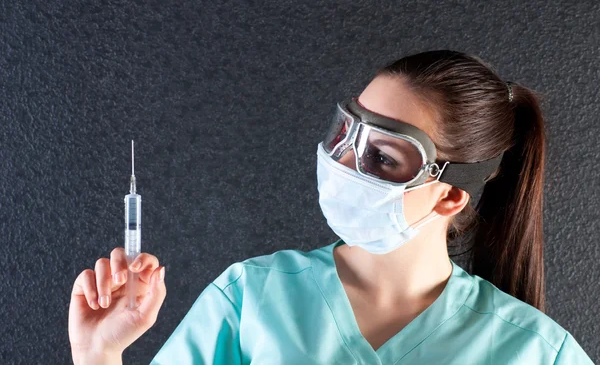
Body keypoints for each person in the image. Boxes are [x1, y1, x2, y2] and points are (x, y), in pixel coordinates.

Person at [68, 50, 595, 364]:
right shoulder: (252, 298)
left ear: (451, 194)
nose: (346, 163)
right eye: (347, 132)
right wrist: (99, 355)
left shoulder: (535, 352)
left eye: (384, 156)